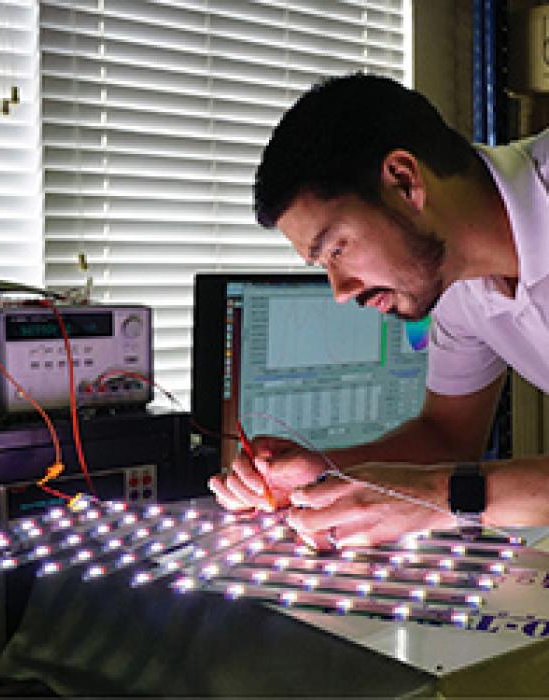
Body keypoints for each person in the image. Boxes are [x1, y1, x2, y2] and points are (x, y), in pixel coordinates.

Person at [208, 72, 549, 548]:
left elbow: (442, 478)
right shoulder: (453, 281)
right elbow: (447, 438)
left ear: (405, 181)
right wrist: (324, 471)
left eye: (337, 249)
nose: (341, 290)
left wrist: (436, 497)